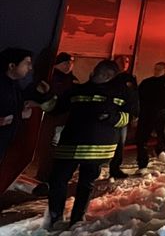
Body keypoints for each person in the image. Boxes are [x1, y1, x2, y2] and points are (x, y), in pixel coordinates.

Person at [47, 59, 133, 228]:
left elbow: (128, 117)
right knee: (75, 183)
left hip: (83, 147)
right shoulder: (83, 90)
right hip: (85, 147)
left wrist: (110, 118)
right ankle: (68, 219)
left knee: (65, 181)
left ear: (104, 75)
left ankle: (64, 218)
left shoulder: (117, 94)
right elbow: (56, 108)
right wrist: (43, 96)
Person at [34, 53, 80, 191]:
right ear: (57, 64)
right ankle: (43, 176)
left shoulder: (73, 80)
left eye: (71, 63)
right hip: (52, 117)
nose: (69, 65)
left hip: (67, 118)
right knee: (48, 147)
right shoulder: (52, 77)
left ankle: (55, 176)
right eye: (66, 63)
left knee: (61, 148)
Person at [0, 48, 53, 162]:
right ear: (12, 66)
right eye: (27, 64)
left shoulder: (14, 86)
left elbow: (21, 102)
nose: (30, 68)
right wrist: (21, 115)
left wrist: (39, 94)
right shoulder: (3, 86)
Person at [136, 61, 165, 171]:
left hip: (163, 114)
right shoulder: (147, 82)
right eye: (155, 69)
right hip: (147, 114)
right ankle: (142, 164)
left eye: (159, 69)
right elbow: (138, 95)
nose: (156, 71)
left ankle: (159, 150)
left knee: (163, 135)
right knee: (142, 139)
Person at [108, 55, 139, 179]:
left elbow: (134, 98)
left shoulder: (129, 78)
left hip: (122, 117)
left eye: (126, 61)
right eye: (121, 61)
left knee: (120, 144)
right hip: (107, 114)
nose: (124, 63)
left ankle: (115, 169)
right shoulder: (108, 75)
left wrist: (135, 114)